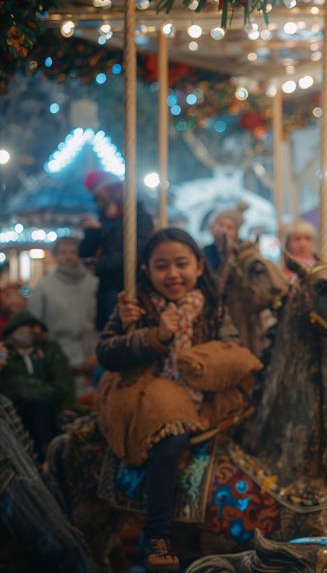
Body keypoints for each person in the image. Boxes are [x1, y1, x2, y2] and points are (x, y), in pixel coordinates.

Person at [96, 228, 237, 571]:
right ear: (145, 270)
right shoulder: (134, 305)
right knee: (171, 436)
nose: (173, 274)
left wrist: (209, 361)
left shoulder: (213, 305)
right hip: (147, 390)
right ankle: (157, 532)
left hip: (201, 390)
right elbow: (106, 353)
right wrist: (151, 335)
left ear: (200, 266)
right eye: (161, 266)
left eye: (181, 264)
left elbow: (230, 343)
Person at [79, 170, 154, 331]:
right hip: (108, 289)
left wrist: (99, 265)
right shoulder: (102, 223)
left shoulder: (140, 219)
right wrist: (93, 232)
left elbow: (134, 253)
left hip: (132, 284)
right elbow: (85, 255)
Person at [0, 311, 74, 460]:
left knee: (39, 407)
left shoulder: (50, 351)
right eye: (25, 327)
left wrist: (21, 385)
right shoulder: (3, 354)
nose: (30, 331)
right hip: (13, 414)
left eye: (34, 327)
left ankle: (44, 461)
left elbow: (62, 387)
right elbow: (5, 391)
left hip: (49, 412)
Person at [29, 237, 98, 373]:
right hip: (56, 357)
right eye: (63, 252)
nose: (69, 257)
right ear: (56, 256)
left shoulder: (94, 284)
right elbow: (35, 325)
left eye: (73, 252)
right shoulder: (43, 287)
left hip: (89, 355)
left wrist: (97, 354)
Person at [201, 203, 247, 281]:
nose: (224, 230)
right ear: (212, 227)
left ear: (237, 233)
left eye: (230, 227)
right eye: (220, 224)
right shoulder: (205, 251)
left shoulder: (245, 251)